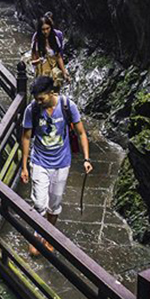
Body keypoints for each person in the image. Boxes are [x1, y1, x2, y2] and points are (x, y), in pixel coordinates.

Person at [20, 76, 92, 256]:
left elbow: (81, 133)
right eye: (36, 98)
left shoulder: (68, 106)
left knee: (55, 203)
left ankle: (49, 235)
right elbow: (26, 137)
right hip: (40, 161)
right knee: (39, 203)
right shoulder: (33, 110)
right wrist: (24, 166)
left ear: (52, 93)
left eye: (41, 98)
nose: (38, 102)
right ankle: (38, 234)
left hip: (61, 162)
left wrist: (86, 158)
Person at [30, 13, 70, 86]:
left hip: (54, 73)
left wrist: (64, 72)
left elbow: (59, 56)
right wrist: (39, 60)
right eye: (43, 29)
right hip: (41, 73)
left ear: (51, 28)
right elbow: (32, 61)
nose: (45, 32)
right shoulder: (37, 41)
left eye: (47, 28)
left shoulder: (55, 38)